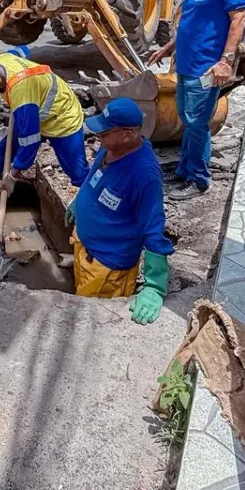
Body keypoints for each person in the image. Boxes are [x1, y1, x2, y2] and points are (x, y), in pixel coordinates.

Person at [147, 0, 245, 201]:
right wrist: (168, 48)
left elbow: (238, 19)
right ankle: (184, 169)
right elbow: (191, 24)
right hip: (187, 66)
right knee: (187, 121)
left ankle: (199, 179)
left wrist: (225, 61)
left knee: (198, 123)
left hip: (206, 67)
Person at [64, 98, 174, 324]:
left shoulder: (144, 175)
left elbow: (153, 230)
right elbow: (95, 178)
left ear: (128, 133)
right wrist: (79, 202)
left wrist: (155, 286)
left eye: (105, 133)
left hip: (106, 268)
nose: (98, 137)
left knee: (88, 322)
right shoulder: (111, 149)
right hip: (85, 248)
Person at [0, 46, 90, 209]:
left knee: (78, 173)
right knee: (1, 154)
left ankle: (95, 206)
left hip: (62, 117)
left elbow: (30, 141)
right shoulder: (1, 60)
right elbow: (22, 50)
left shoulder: (21, 92)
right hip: (36, 110)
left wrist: (12, 176)